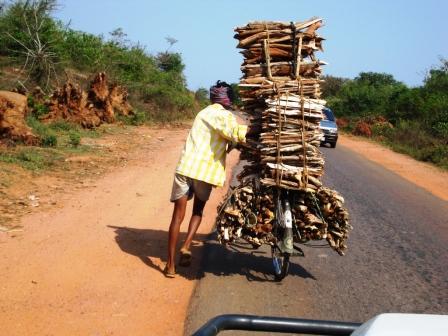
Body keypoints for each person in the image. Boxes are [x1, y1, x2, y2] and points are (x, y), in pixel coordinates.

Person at [164, 81, 248, 278]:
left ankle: (170, 265)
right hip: (205, 172)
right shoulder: (224, 116)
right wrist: (257, 128)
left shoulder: (202, 113)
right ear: (228, 100)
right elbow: (236, 134)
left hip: (185, 167)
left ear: (212, 98)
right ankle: (186, 246)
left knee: (177, 216)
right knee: (198, 210)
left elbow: (226, 139)